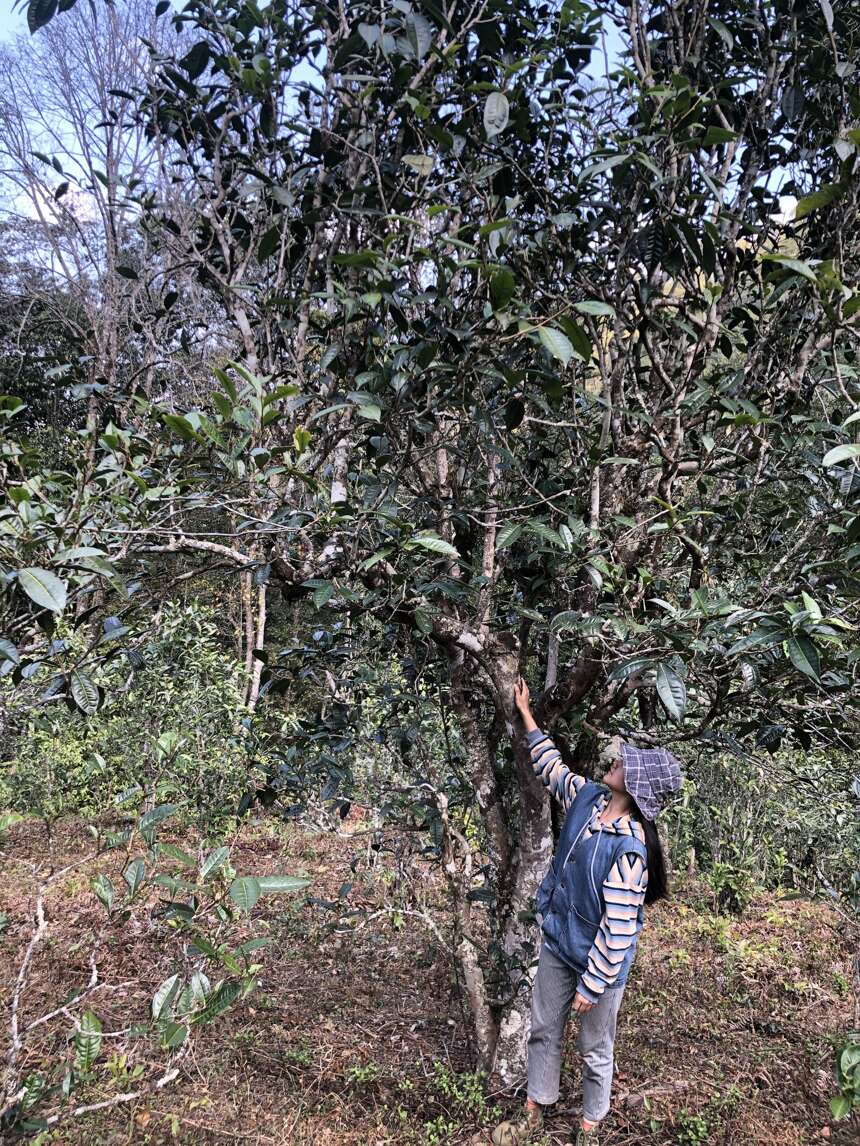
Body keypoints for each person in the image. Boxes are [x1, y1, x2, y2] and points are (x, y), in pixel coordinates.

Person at [491, 677, 684, 1146]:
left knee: (595, 1046)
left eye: (626, 765)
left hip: (600, 961)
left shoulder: (631, 849)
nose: (617, 762)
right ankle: (537, 1106)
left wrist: (593, 983)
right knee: (543, 1026)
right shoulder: (589, 799)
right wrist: (527, 714)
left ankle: (591, 1125)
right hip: (561, 942)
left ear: (636, 787)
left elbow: (618, 928)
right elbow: (553, 769)